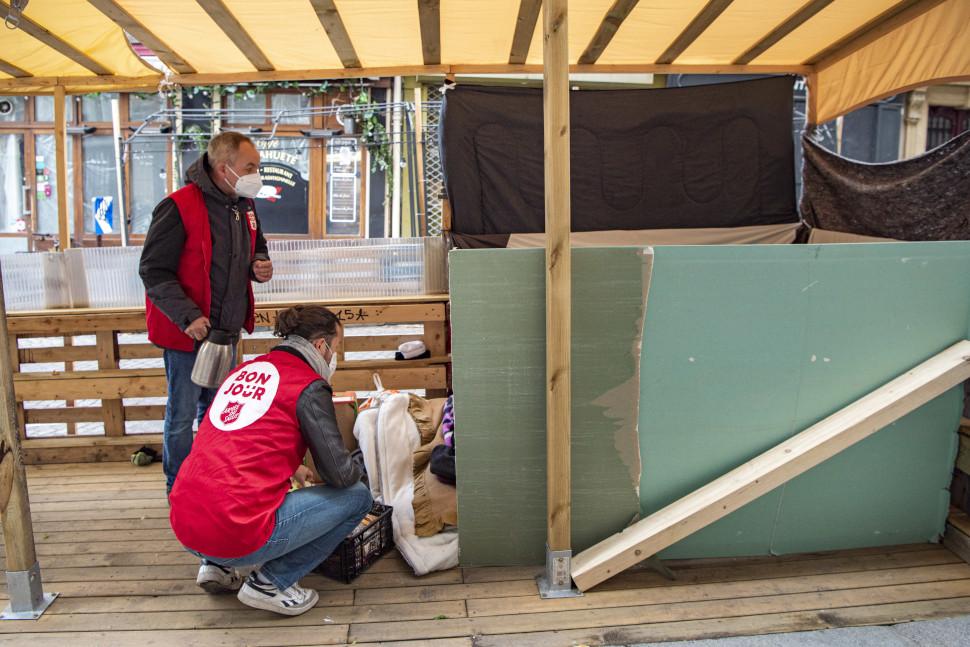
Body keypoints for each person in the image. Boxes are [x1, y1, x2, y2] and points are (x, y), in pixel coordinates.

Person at [169, 305, 372, 616]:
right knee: (357, 497)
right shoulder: (308, 385)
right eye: (336, 347)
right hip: (235, 532)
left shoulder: (244, 371)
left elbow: (237, 441)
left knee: (220, 484)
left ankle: (216, 567)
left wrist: (293, 465)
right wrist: (366, 463)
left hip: (185, 524)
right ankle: (271, 581)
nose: (334, 357)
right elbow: (340, 475)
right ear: (321, 346)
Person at [139, 132, 274, 493]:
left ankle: (212, 483)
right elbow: (153, 270)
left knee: (219, 414)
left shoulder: (244, 205)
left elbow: (256, 245)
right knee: (182, 416)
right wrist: (188, 316)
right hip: (188, 333)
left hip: (227, 332)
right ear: (223, 167)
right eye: (250, 167)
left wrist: (259, 264)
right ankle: (178, 487)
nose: (256, 173)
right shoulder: (178, 206)